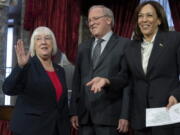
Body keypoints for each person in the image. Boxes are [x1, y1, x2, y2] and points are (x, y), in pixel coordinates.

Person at [87, 1, 180, 135]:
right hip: (141, 119)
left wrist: (176, 95)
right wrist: (107, 81)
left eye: (149, 15)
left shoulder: (174, 39)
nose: (144, 20)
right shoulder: (131, 47)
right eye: (140, 16)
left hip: (167, 113)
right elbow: (124, 77)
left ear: (159, 20)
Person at [69, 5, 131, 135]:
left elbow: (127, 82)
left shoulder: (125, 44)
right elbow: (76, 81)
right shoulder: (83, 48)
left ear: (108, 20)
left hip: (110, 117)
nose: (91, 23)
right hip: (84, 117)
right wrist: (74, 111)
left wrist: (125, 115)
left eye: (95, 18)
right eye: (89, 20)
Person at [2, 26, 70, 135]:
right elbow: (8, 89)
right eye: (38, 39)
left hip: (56, 129)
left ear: (53, 44)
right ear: (34, 45)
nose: (43, 42)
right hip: (30, 129)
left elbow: (62, 104)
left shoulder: (60, 70)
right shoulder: (27, 66)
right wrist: (20, 67)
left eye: (47, 38)